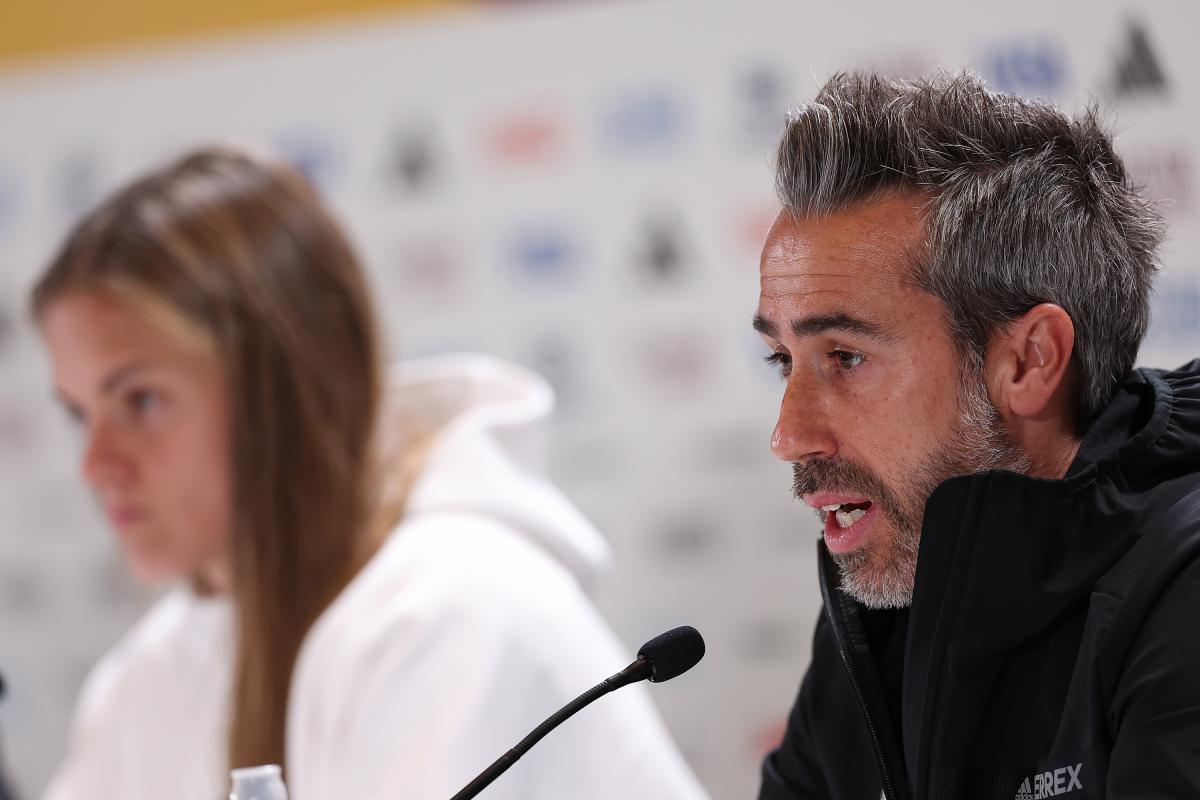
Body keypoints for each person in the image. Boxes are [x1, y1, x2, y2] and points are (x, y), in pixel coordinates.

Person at [32, 146, 708, 800]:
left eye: (141, 401)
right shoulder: (147, 675)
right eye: (78, 412)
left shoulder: (456, 616)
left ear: (288, 386)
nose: (96, 465)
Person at [753, 71, 1200, 800]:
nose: (789, 436)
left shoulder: (1182, 591)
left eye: (845, 357)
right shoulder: (882, 613)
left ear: (1030, 360)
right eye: (783, 361)